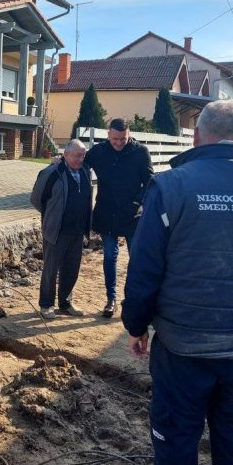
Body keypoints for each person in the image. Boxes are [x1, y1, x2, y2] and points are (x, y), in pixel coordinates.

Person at [122, 99, 233, 465]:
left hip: (182, 351)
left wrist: (136, 325)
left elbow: (144, 270)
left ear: (196, 136)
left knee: (175, 444)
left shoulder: (169, 187)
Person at [85, 118, 153, 318]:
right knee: (109, 257)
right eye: (115, 139)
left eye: (123, 139)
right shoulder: (98, 151)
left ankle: (135, 300)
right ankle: (111, 299)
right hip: (107, 212)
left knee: (136, 259)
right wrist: (61, 161)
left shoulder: (140, 152)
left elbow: (150, 181)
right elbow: (79, 161)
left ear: (129, 134)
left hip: (132, 214)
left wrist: (138, 202)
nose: (118, 143)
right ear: (108, 135)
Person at [30, 139, 92, 319]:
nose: (80, 159)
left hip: (77, 230)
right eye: (77, 155)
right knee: (51, 269)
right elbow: (36, 199)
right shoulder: (52, 172)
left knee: (71, 269)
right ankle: (46, 305)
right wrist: (51, 215)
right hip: (57, 230)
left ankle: (65, 303)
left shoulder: (85, 171)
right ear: (65, 155)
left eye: (83, 155)